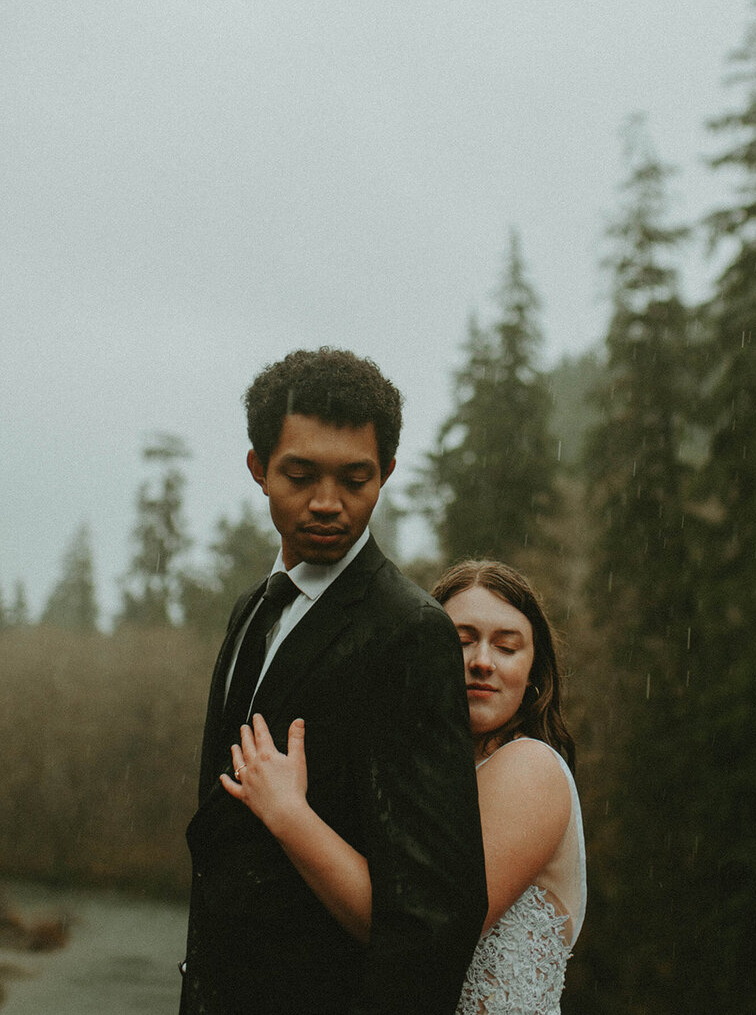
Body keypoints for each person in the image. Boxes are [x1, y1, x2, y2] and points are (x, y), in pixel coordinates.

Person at [179, 348, 487, 1015]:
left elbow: (434, 917)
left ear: (388, 474)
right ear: (258, 468)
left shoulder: (410, 633)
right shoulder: (251, 610)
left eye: (356, 479)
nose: (327, 504)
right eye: (300, 474)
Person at [225, 559, 586, 1015]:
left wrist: (288, 814)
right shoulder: (415, 779)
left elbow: (418, 933)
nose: (481, 662)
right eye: (461, 641)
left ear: (534, 673)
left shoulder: (529, 769)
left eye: (507, 647)